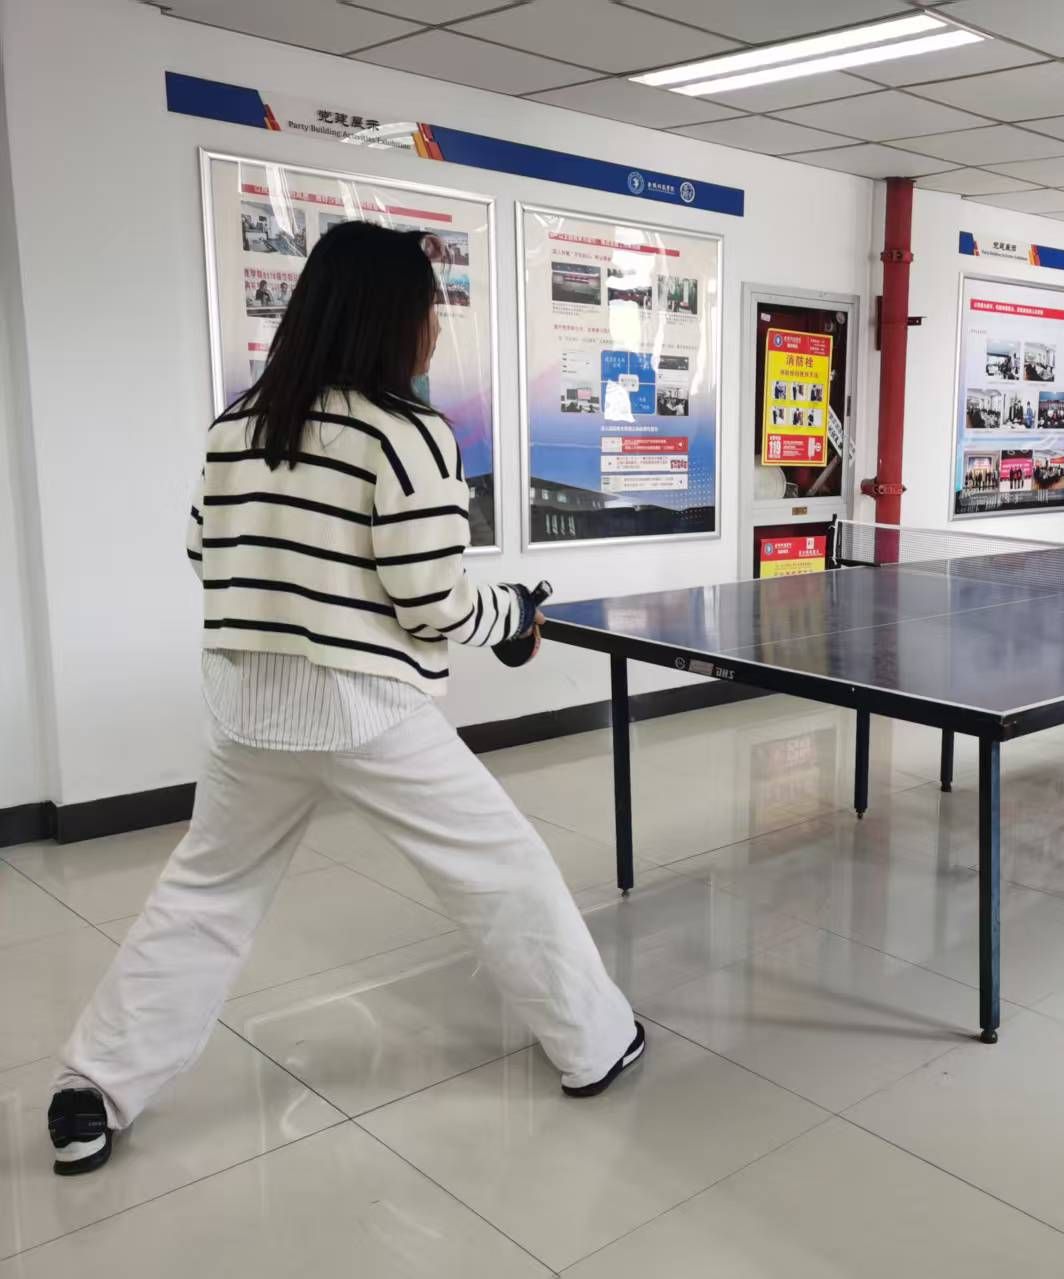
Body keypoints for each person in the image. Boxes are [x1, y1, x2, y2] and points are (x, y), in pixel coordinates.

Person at [48, 222, 642, 1178]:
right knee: (502, 868)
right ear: (391, 317)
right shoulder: (408, 434)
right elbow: (432, 599)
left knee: (204, 894)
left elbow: (204, 550)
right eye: (430, 311)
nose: (436, 330)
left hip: (247, 709)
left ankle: (91, 1090)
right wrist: (514, 616)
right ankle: (595, 1043)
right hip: (368, 708)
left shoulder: (238, 424)